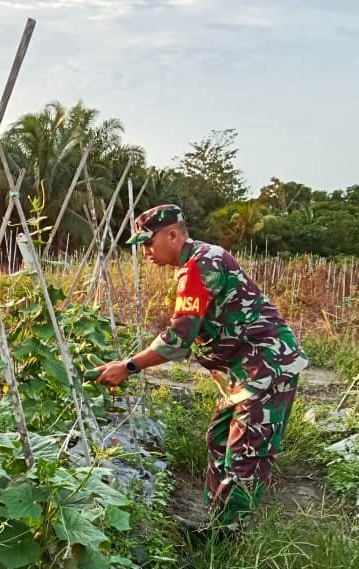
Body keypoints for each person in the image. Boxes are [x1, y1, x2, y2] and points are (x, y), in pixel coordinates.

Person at [95, 204, 307, 531]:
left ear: (173, 235)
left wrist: (129, 366)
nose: (146, 252)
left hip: (266, 367)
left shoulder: (200, 265)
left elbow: (178, 339)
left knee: (246, 453)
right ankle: (217, 519)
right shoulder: (197, 261)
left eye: (149, 243)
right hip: (244, 372)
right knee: (219, 438)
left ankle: (228, 536)